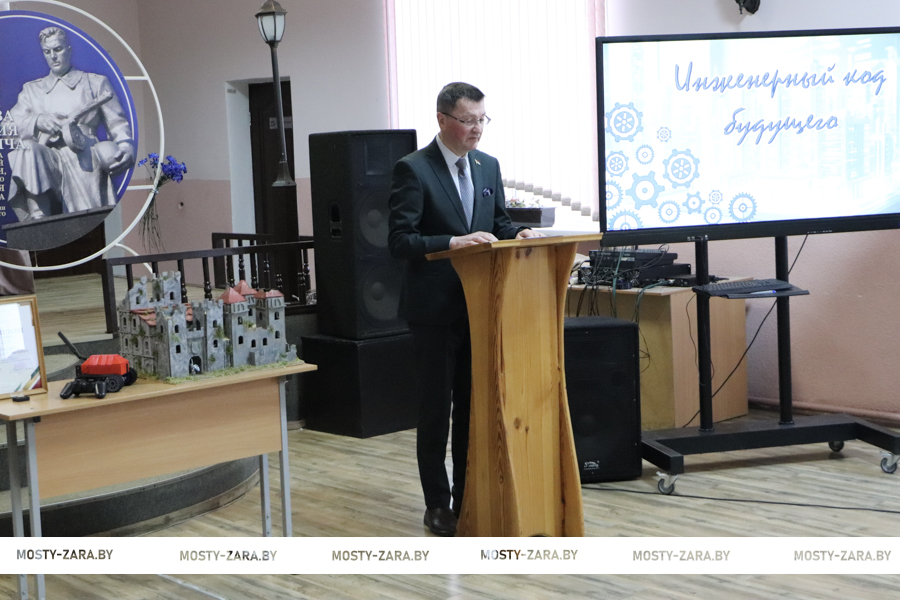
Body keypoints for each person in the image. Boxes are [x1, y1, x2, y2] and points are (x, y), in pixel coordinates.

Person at [388, 82, 543, 537]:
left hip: (481, 308)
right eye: (468, 120)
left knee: (472, 409)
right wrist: (452, 242)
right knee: (436, 411)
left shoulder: (487, 165)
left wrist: (518, 235)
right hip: (434, 311)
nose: (477, 129)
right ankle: (437, 504)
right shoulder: (413, 169)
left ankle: (466, 495)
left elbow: (497, 224)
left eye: (481, 119)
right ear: (442, 120)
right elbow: (400, 240)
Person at [6, 26, 135, 222]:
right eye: (47, 52)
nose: (53, 57)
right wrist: (37, 121)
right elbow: (8, 127)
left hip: (84, 158)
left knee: (87, 223)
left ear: (69, 49)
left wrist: (126, 147)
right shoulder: (32, 90)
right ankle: (38, 217)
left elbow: (117, 124)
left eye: (57, 49)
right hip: (47, 160)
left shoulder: (95, 83)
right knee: (29, 150)